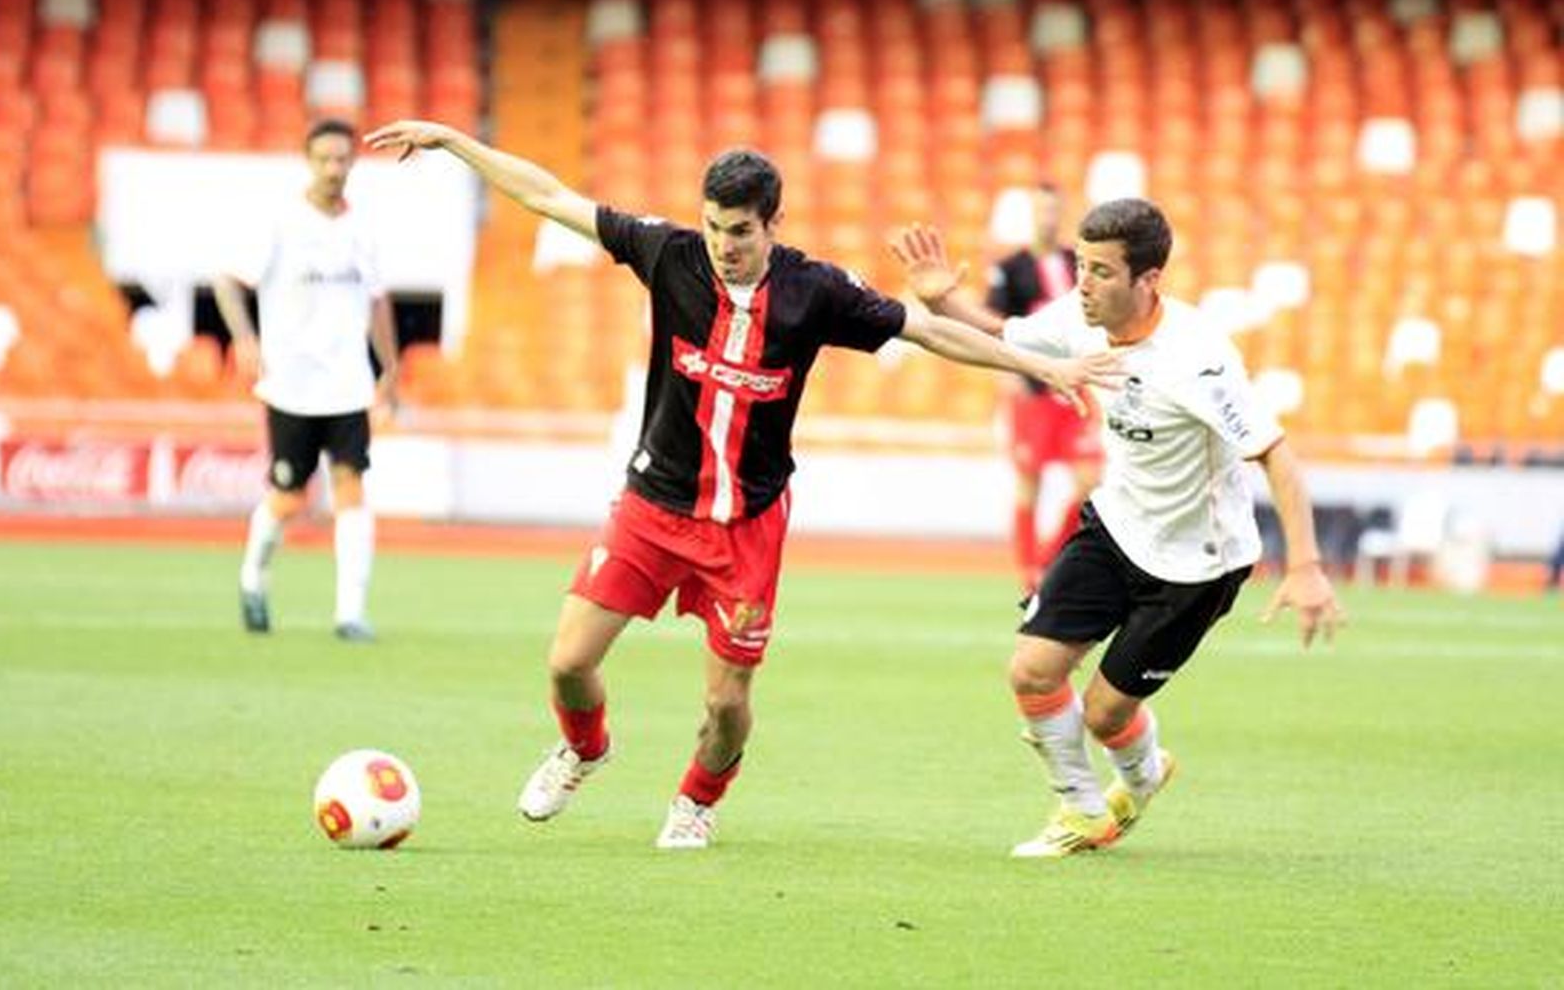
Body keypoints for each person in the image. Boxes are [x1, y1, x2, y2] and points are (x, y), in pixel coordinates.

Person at [362, 118, 1123, 849]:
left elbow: (926, 330)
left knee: (726, 704)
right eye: (715, 227)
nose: (725, 246)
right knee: (567, 663)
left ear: (773, 225)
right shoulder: (669, 254)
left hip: (747, 524)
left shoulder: (815, 290)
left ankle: (696, 803)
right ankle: (584, 749)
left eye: (741, 231)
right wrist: (454, 142)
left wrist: (1039, 365)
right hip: (653, 506)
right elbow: (549, 196)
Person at [889, 201, 1343, 858]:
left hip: (1196, 565)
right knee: (1032, 671)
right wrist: (944, 299)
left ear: (1148, 279)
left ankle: (1142, 774)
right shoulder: (1081, 316)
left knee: (1105, 714)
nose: (1083, 283)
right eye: (1081, 265)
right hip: (1117, 525)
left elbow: (1276, 454)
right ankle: (1082, 809)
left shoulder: (1198, 359)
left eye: (1101, 271)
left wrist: (1305, 566)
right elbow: (1006, 335)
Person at [213, 118, 400, 643]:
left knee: (351, 487)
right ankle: (253, 576)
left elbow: (377, 301)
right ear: (309, 161)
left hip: (348, 384)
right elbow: (226, 281)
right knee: (289, 496)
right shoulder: (281, 222)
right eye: (325, 159)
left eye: (342, 159)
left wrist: (389, 369)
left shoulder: (363, 228)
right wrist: (244, 339)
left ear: (353, 163)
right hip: (292, 385)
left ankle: (350, 613)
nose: (334, 168)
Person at [984, 184, 1103, 594]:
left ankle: (1049, 560)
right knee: (1029, 481)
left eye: (1054, 210)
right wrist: (1009, 375)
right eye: (1041, 211)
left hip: (1073, 387)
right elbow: (992, 324)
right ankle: (1028, 574)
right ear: (1032, 215)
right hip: (1032, 388)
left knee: (1090, 478)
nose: (1048, 219)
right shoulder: (1010, 268)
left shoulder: (1077, 263)